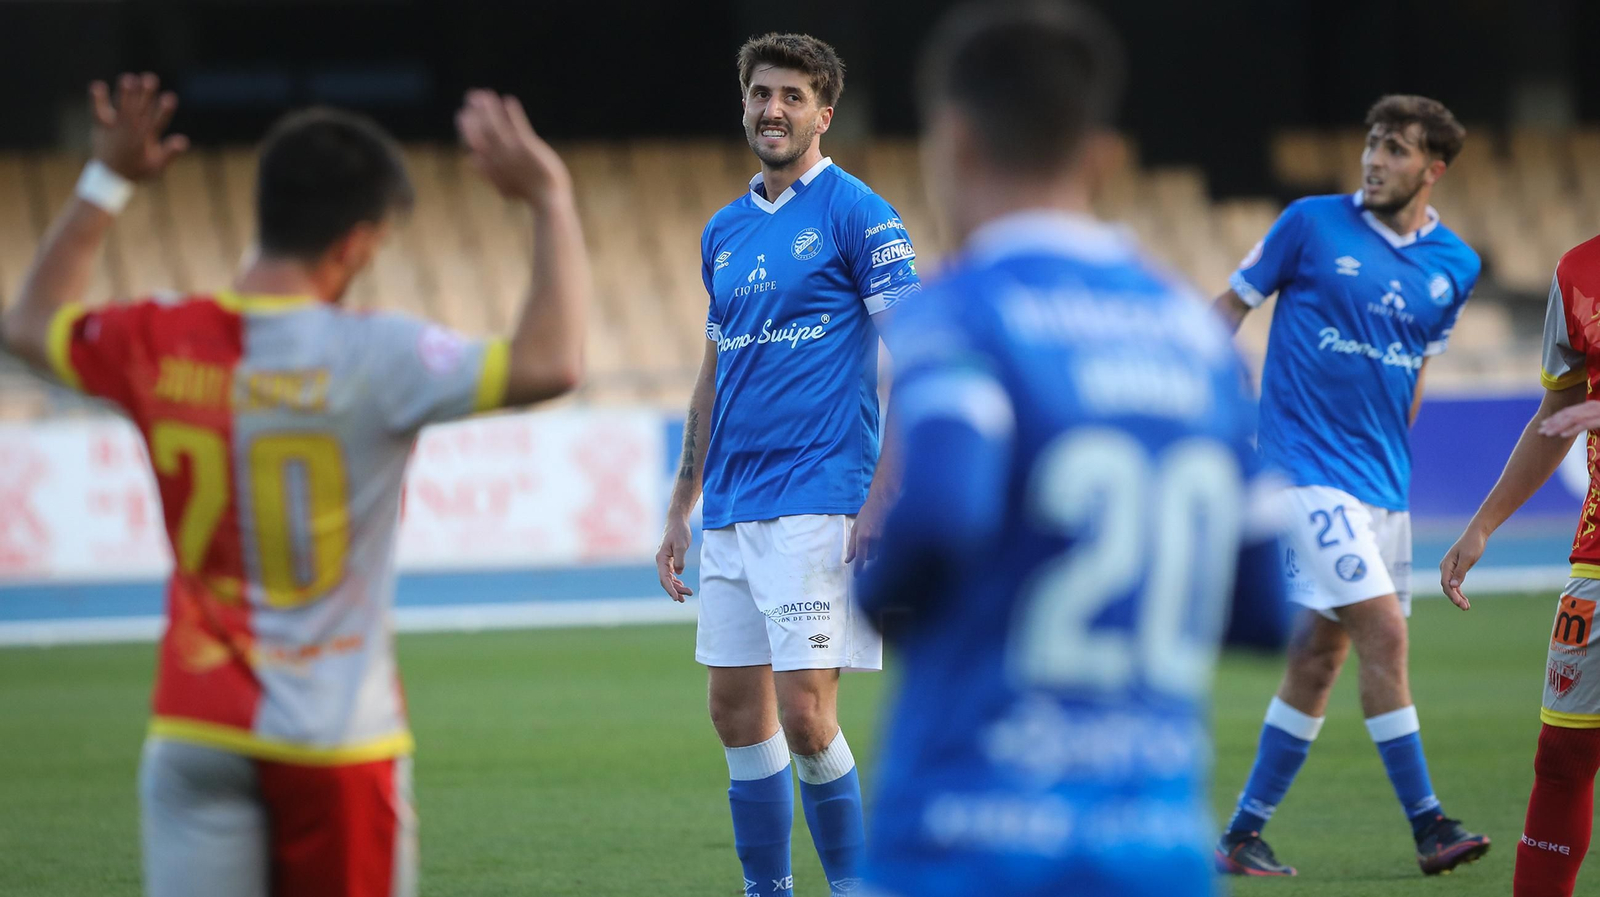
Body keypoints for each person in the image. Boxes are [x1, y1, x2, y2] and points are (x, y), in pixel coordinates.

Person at [0, 74, 589, 897]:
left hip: (193, 725)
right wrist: (548, 196)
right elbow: (550, 362)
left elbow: (27, 325)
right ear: (354, 243)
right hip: (335, 739)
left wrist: (110, 180)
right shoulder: (378, 357)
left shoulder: (158, 338)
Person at [854, 4, 1290, 895]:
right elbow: (1266, 607)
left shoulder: (961, 310)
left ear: (955, 140)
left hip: (968, 838)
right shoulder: (1193, 336)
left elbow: (938, 510)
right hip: (1157, 844)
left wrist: (873, 594)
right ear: (1100, 155)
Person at [651, 32, 920, 897]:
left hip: (820, 498)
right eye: (761, 92)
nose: (773, 108)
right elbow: (713, 372)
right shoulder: (723, 232)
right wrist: (680, 502)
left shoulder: (859, 212)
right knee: (736, 714)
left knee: (806, 715)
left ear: (823, 113)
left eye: (792, 96)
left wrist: (887, 492)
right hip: (731, 504)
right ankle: (767, 889)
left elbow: (917, 355)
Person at [1211, 93, 1489, 876]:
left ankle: (1240, 834)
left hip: (1381, 487)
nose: (1374, 159)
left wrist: (1391, 452)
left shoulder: (1456, 266)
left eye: (1395, 148)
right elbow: (1228, 308)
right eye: (1371, 142)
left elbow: (1419, 367)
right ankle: (1431, 824)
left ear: (1432, 168)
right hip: (1302, 474)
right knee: (1387, 635)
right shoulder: (1310, 222)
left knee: (1319, 659)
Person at [1441, 236, 1600, 897]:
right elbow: (1560, 411)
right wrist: (1482, 524)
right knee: (1561, 757)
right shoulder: (1577, 271)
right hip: (1597, 560)